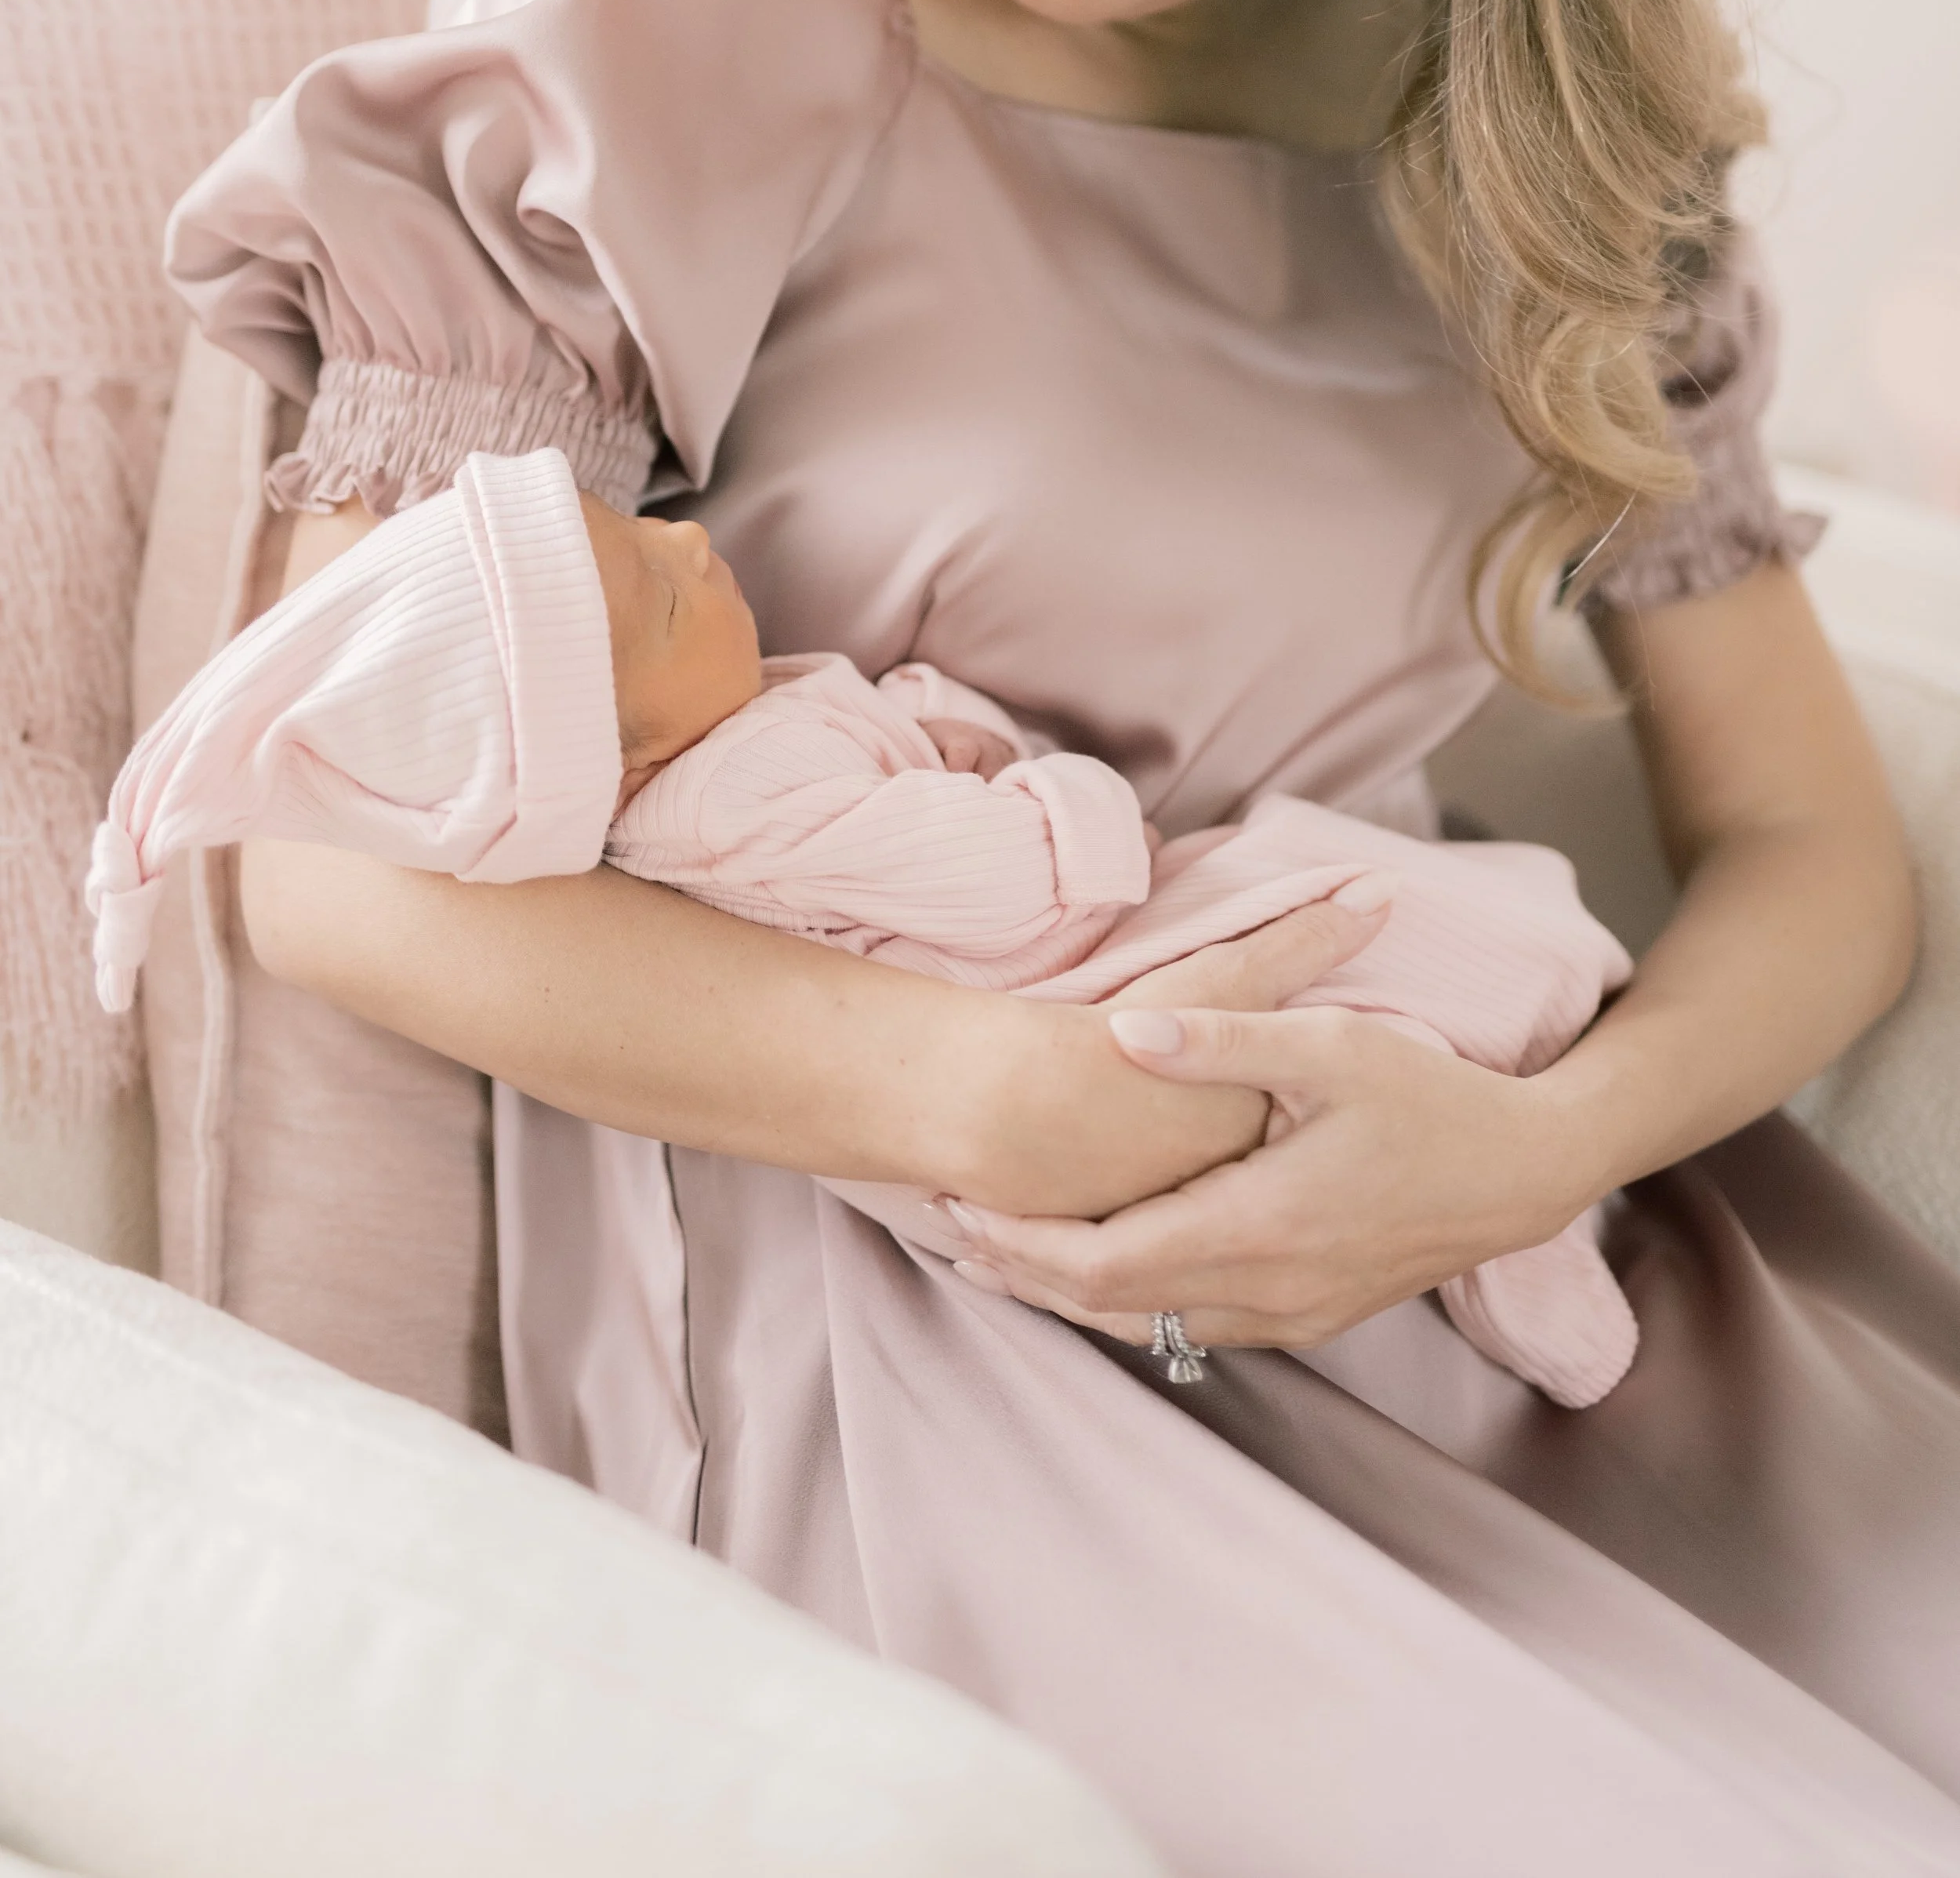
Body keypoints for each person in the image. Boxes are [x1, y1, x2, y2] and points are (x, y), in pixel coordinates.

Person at [162, 0, 1960, 1873]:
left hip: (1499, 1222)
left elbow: (1816, 853)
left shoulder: (1518, 110)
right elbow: (319, 846)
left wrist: (1529, 1151)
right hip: (926, 1271)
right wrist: (999, 1110)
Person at [92, 444, 1640, 1406]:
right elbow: (1014, 887)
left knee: (1362, 978)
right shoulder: (721, 799)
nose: (694, 548)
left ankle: (1507, 1194)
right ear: (609, 761)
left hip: (1052, 971)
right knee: (1379, 940)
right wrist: (1069, 806)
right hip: (1076, 964)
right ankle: (1516, 1249)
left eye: (644, 533)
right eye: (660, 598)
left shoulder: (731, 737)